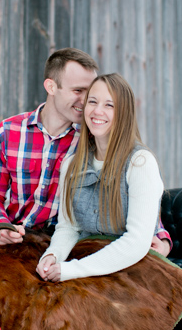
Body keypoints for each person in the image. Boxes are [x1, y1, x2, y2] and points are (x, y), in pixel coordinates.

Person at [0, 48, 172, 255]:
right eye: (78, 91)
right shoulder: (10, 130)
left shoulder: (95, 136)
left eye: (91, 92)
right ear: (51, 86)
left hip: (68, 245)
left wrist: (160, 235)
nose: (87, 101)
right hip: (16, 239)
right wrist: (2, 227)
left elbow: (133, 187)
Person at [36, 74, 164, 282]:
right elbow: (68, 227)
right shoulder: (71, 165)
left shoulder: (140, 163)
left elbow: (136, 242)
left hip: (130, 268)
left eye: (109, 105)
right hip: (85, 257)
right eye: (92, 102)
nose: (97, 111)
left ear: (124, 112)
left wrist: (72, 270)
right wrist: (53, 255)